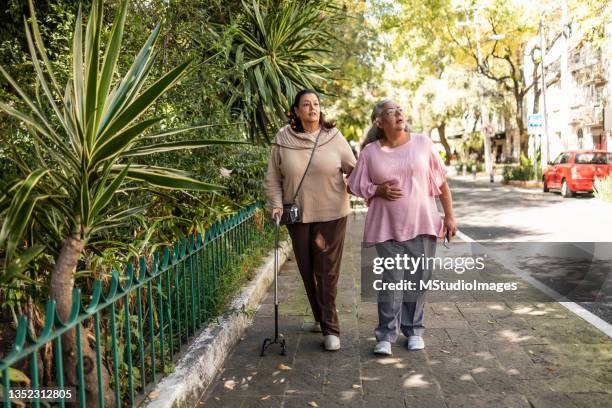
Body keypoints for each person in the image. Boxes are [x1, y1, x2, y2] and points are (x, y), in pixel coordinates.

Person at [347, 99, 457, 355]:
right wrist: (377, 189)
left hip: (421, 223)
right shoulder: (370, 153)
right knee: (391, 282)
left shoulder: (422, 143)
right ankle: (386, 334)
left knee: (417, 281)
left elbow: (440, 183)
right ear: (379, 122)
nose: (398, 114)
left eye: (400, 110)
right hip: (386, 227)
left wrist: (450, 216)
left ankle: (413, 330)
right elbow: (354, 185)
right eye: (391, 112)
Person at [264, 89, 356, 351]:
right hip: (298, 215)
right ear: (296, 110)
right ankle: (320, 315)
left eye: (316, 104)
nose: (312, 108)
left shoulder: (334, 137)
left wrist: (369, 188)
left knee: (326, 271)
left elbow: (354, 168)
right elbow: (272, 177)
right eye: (306, 104)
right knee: (308, 271)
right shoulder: (283, 138)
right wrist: (276, 205)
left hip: (332, 213)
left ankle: (331, 328)